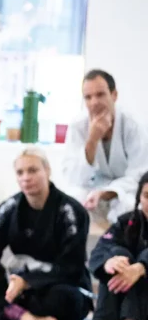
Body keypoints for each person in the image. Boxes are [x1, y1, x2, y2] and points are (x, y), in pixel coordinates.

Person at [0, 147, 94, 320]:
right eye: (20, 172)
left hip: (58, 286)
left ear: (47, 171)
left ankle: (10, 310)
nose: (26, 177)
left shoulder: (71, 211)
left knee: (65, 299)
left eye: (33, 170)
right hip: (19, 287)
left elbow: (71, 267)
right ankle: (27, 318)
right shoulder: (9, 208)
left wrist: (27, 281)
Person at [61, 69, 148, 224]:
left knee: (130, 207)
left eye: (100, 94)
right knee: (71, 202)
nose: (94, 102)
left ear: (114, 95)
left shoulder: (132, 125)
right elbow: (73, 177)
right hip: (91, 187)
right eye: (88, 97)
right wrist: (92, 140)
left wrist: (106, 192)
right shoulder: (78, 126)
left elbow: (139, 175)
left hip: (125, 190)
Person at [87, 171, 148, 320]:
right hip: (118, 312)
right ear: (139, 197)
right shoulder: (127, 221)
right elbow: (99, 251)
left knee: (143, 260)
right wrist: (109, 263)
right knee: (118, 255)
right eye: (146, 196)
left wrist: (141, 267)